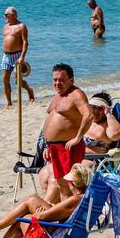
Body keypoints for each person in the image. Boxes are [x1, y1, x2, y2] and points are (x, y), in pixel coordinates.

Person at [0, 162, 92, 238]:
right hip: (68, 231)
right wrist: (52, 207)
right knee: (31, 202)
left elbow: (40, 217)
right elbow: (63, 214)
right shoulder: (86, 198)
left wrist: (38, 214)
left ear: (72, 183)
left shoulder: (74, 200)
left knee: (25, 213)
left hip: (54, 235)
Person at [42, 64, 95, 203]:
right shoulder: (57, 96)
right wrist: (48, 145)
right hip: (54, 148)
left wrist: (78, 138)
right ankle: (65, 219)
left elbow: (89, 115)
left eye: (61, 80)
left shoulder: (76, 94)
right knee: (62, 186)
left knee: (72, 186)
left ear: (71, 80)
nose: (57, 83)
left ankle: (75, 217)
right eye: (54, 80)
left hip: (68, 148)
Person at [1, 6, 34, 107]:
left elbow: (25, 42)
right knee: (4, 79)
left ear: (14, 15)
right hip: (6, 56)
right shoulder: (5, 26)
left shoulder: (21, 26)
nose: (4, 16)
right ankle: (9, 102)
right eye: (4, 15)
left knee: (17, 81)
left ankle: (29, 90)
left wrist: (22, 56)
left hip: (17, 55)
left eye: (7, 15)